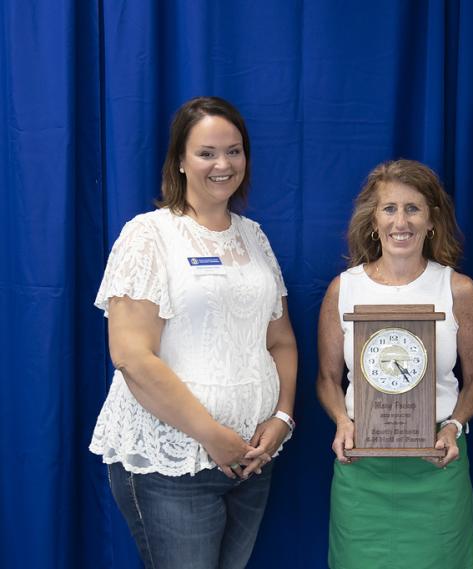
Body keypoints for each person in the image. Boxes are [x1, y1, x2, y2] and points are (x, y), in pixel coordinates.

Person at [89, 96, 297, 569]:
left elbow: (280, 339)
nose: (223, 164)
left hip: (252, 460)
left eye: (234, 150)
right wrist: (211, 434)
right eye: (206, 153)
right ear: (180, 162)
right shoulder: (149, 235)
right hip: (172, 465)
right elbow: (131, 356)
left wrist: (282, 419)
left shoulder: (253, 237)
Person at [316, 159, 473, 569]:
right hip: (362, 472)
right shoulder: (344, 288)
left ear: (432, 220)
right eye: (389, 208)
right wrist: (342, 420)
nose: (401, 221)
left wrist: (454, 426)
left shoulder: (458, 289)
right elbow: (326, 378)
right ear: (373, 221)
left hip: (436, 466)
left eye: (413, 208)